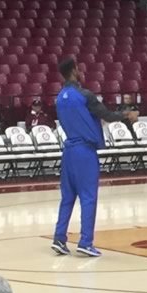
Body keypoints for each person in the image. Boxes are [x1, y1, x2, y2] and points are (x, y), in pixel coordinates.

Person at [52, 57, 135, 258]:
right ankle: (85, 242)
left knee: (67, 198)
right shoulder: (84, 95)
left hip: (68, 149)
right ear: (74, 70)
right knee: (88, 197)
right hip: (84, 151)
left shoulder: (60, 97)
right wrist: (127, 115)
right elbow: (107, 115)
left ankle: (59, 238)